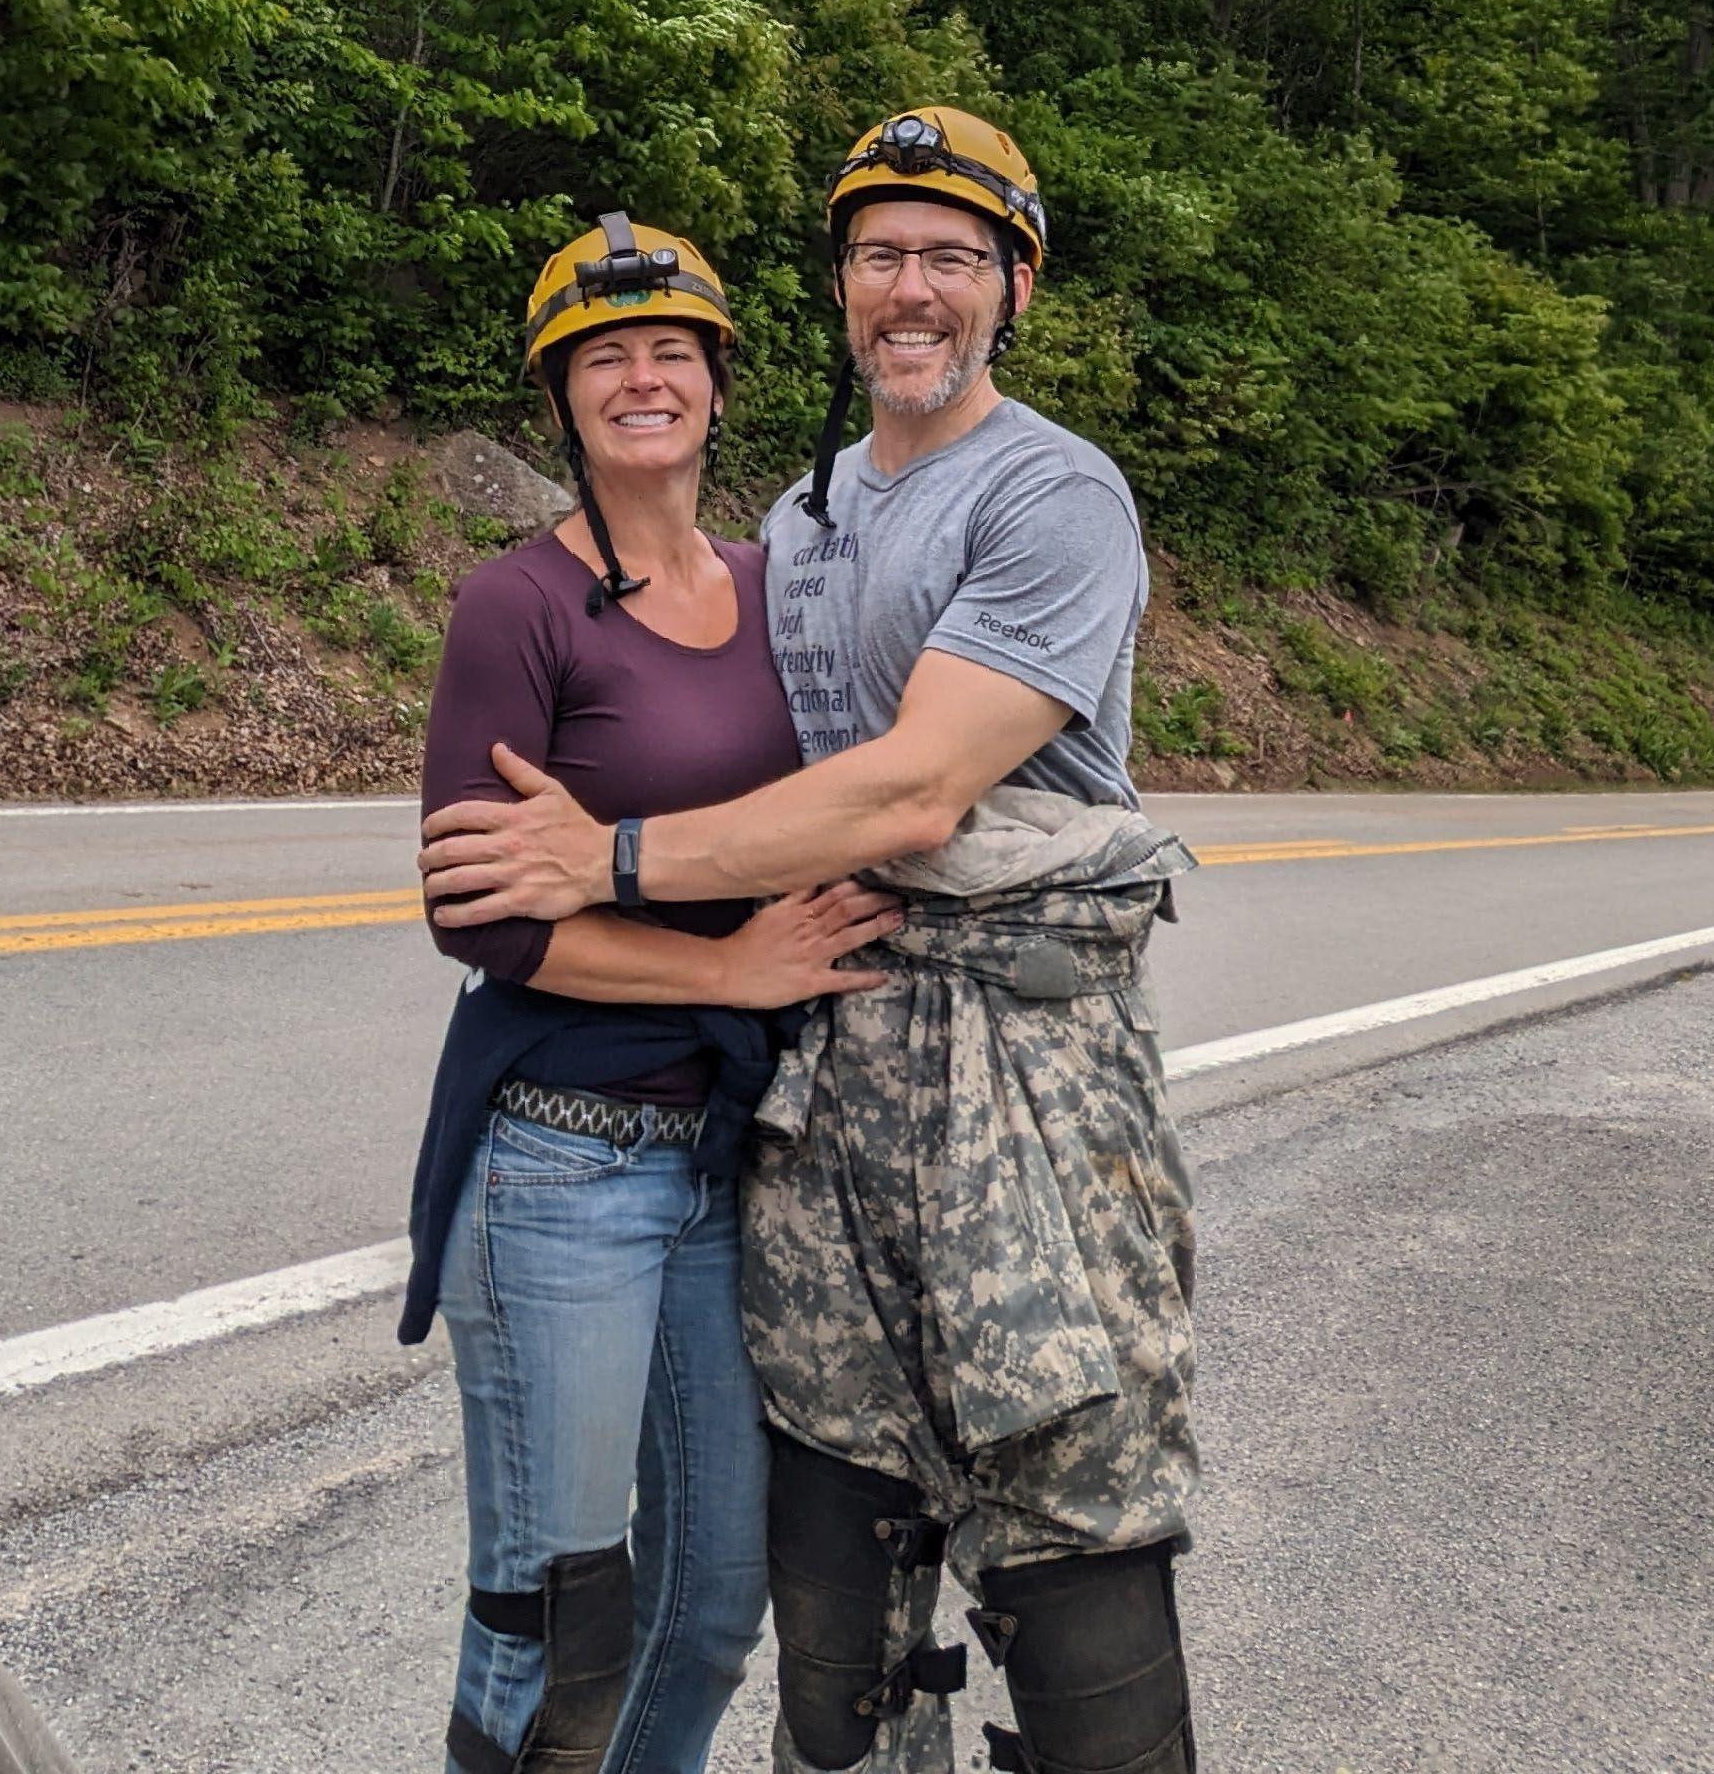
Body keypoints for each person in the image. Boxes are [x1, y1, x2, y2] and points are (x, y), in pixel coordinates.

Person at [420, 111, 1201, 1774]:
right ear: (838, 286)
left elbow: (912, 785)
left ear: (1015, 283)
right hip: (804, 1086)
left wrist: (612, 852)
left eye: (948, 256)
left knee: (1070, 1503)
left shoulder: (1054, 491)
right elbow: (504, 895)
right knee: (828, 1535)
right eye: (875, 254)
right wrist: (708, 956)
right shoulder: (806, 516)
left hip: (1020, 1077)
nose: (908, 289)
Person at [403, 211, 903, 1774]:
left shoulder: (778, 589)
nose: (640, 378)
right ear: (560, 395)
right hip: (556, 1161)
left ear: (714, 382)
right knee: (563, 1613)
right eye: (603, 355)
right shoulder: (520, 606)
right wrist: (727, 964)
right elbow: (479, 915)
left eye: (670, 351)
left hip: (715, 1167)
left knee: (709, 1602)